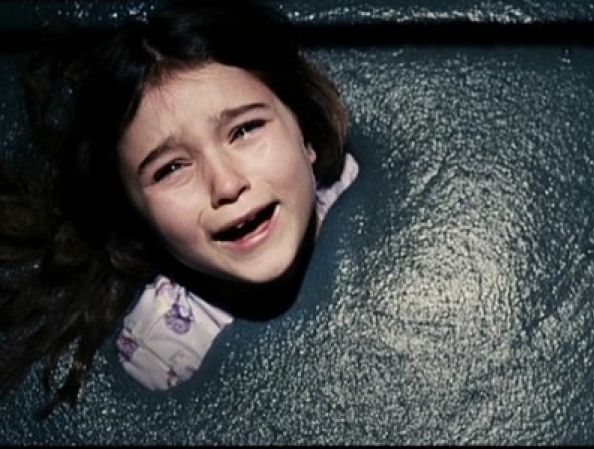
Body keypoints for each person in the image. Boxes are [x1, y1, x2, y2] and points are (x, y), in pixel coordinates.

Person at [0, 0, 358, 418]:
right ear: (135, 216)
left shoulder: (359, 189)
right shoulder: (159, 351)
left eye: (245, 130)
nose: (226, 185)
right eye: (170, 168)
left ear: (306, 135)